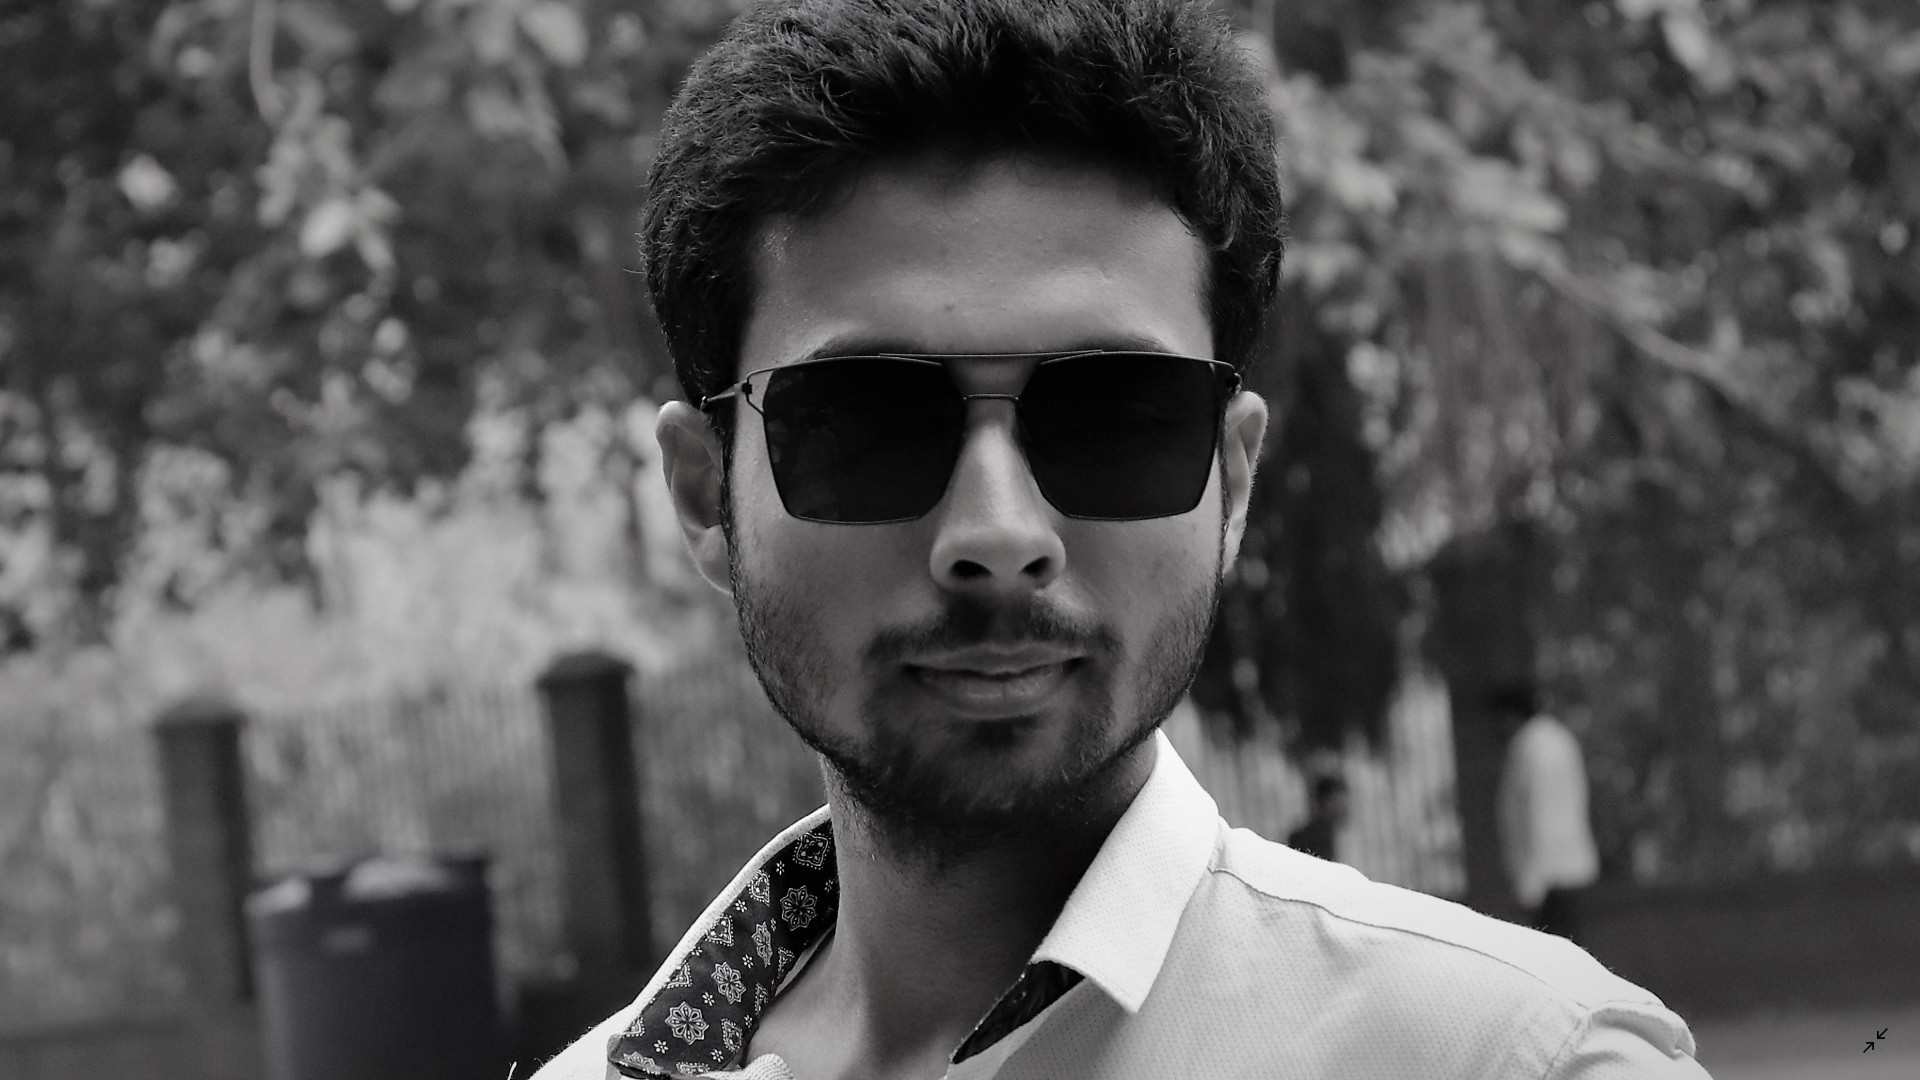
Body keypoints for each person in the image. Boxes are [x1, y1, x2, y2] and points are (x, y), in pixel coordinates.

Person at [533, 2, 1711, 1076]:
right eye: (867, 424)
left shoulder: (1515, 1062)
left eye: (1115, 420)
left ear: (1231, 482)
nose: (998, 533)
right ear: (706, 496)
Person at [1494, 686, 1603, 943]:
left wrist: (1531, 883)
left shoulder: (1532, 748)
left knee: (1555, 948)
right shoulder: (1557, 738)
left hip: (1548, 874)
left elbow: (1538, 813)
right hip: (1565, 866)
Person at [1286, 771, 1349, 863]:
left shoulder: (1338, 837)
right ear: (1325, 803)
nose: (1345, 808)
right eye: (1339, 802)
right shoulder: (1305, 839)